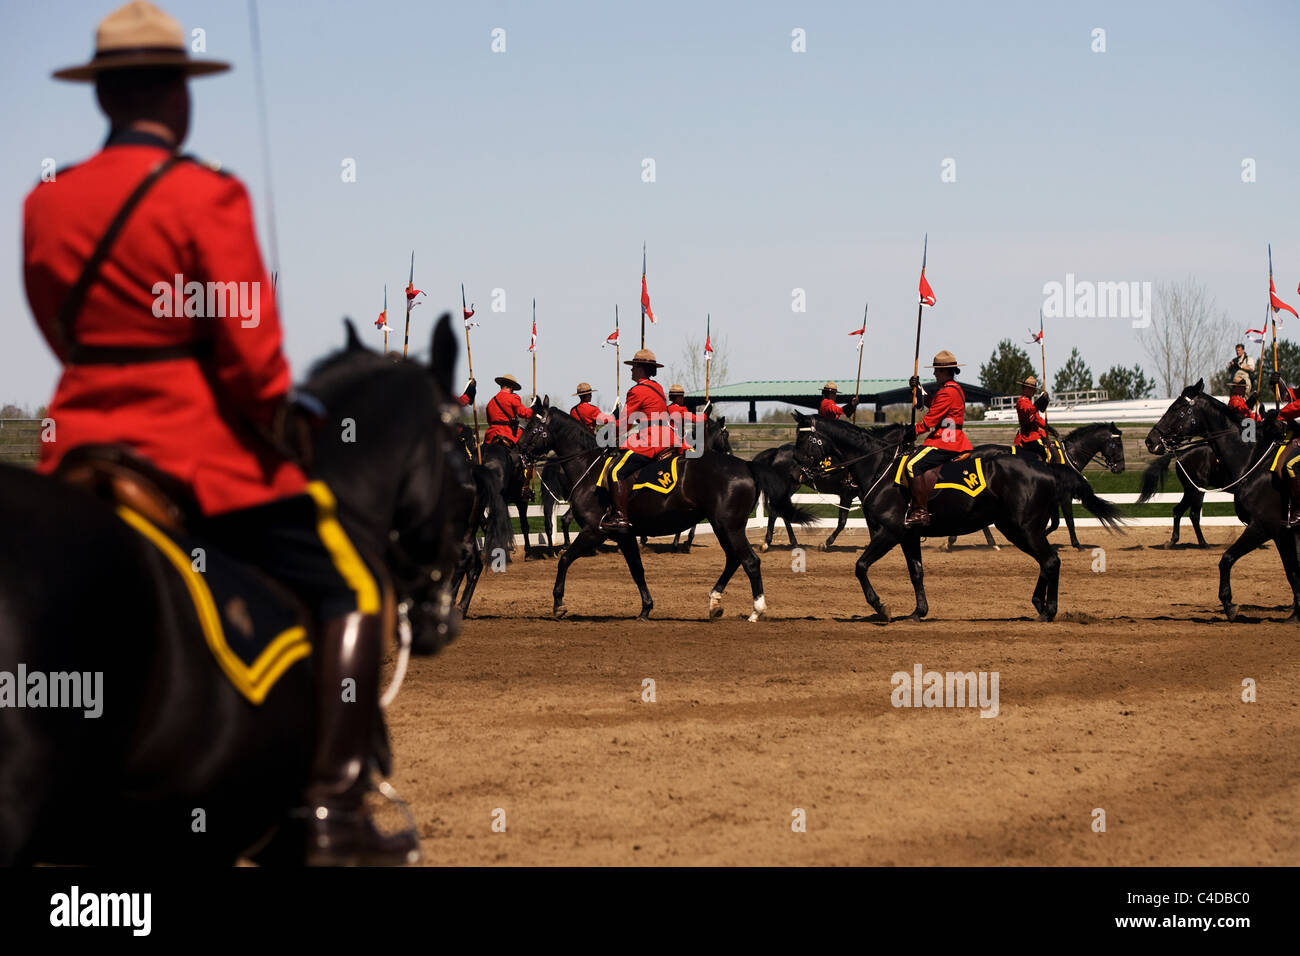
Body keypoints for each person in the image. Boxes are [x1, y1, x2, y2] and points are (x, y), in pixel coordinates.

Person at [24, 1, 414, 864]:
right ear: (179, 94)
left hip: (79, 443)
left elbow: (61, 329)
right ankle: (330, 813)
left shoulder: (45, 203)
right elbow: (252, 360)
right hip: (189, 452)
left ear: (103, 98)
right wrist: (283, 409)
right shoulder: (205, 195)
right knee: (354, 583)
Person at [600, 349, 676, 531]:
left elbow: (626, 423)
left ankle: (620, 517)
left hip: (651, 439)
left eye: (633, 367)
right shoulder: (657, 387)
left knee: (615, 471)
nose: (631, 370)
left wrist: (609, 432)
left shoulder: (637, 391)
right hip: (668, 436)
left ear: (641, 368)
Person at [903, 350, 973, 527]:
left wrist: (912, 432)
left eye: (936, 370)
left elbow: (930, 420)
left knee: (912, 465)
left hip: (945, 441)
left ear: (944, 371)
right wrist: (918, 389)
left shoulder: (947, 392)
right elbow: (934, 404)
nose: (934, 373)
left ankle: (920, 511)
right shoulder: (954, 390)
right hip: (953, 439)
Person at [1012, 374, 1052, 461]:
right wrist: (1040, 401)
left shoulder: (1029, 402)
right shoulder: (1021, 401)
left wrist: (1048, 427)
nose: (1032, 391)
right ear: (1024, 388)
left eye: (1033, 389)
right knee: (1042, 454)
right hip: (1027, 436)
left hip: (1035, 433)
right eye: (1030, 388)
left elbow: (1037, 418)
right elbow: (1030, 410)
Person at [483, 373, 532, 445]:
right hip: (508, 434)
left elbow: (489, 421)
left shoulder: (491, 402)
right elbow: (523, 413)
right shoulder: (513, 398)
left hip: (491, 435)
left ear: (501, 385)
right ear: (511, 387)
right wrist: (533, 409)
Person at [667, 383, 712, 452]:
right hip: (680, 445)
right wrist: (706, 413)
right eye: (681, 396)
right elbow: (697, 420)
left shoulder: (669, 408)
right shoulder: (679, 410)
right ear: (676, 397)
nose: (683, 398)